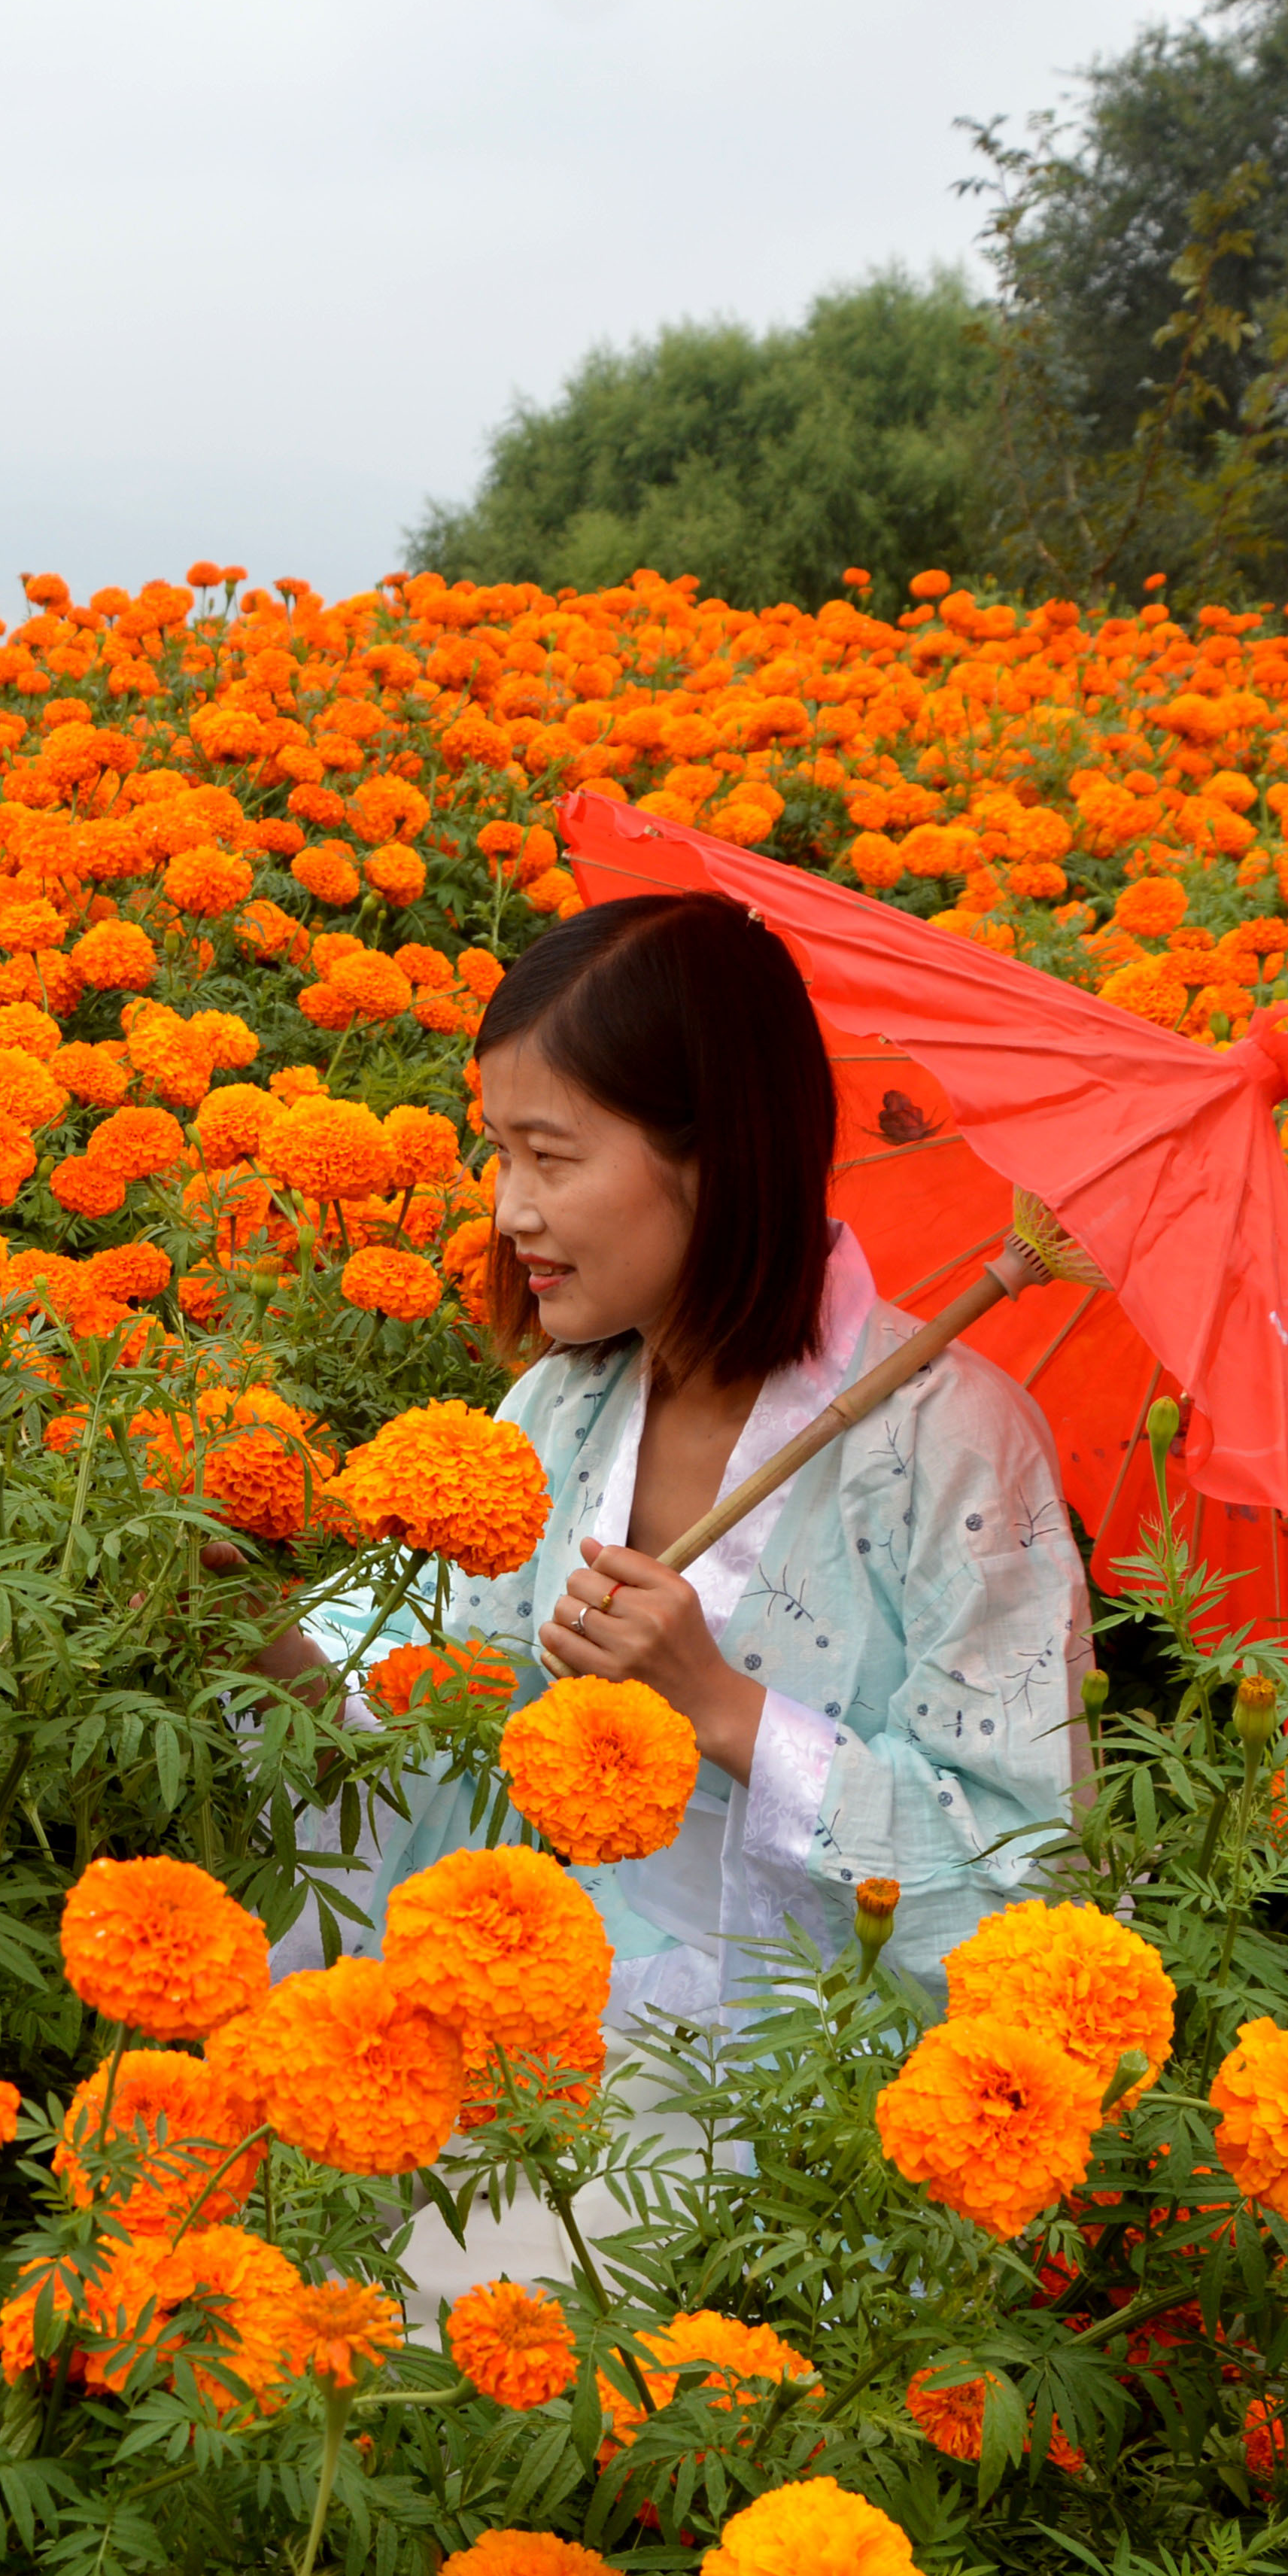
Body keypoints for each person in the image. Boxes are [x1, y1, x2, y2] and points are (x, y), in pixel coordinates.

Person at [260, 891, 1092, 2304]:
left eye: (550, 1156)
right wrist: (245, 1626)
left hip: (783, 2083)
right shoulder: (561, 1404)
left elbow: (1024, 1868)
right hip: (519, 1990)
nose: (509, 1210)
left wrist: (726, 1708)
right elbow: (421, 1716)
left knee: (453, 2320)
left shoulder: (957, 1445)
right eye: (499, 1151)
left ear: (716, 1156)